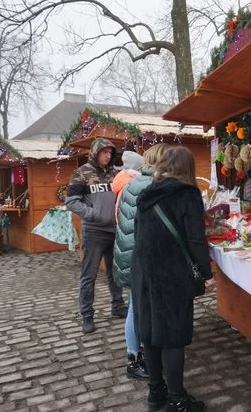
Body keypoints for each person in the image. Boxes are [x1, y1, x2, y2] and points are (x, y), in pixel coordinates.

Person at [133, 146, 215, 412]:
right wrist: (207, 273)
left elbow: (139, 234)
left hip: (144, 271)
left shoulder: (146, 194)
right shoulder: (187, 194)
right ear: (188, 168)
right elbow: (195, 239)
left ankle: (156, 393)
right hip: (171, 273)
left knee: (151, 333)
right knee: (172, 337)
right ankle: (177, 400)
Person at [112, 145, 168, 381]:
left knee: (137, 306)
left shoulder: (131, 183)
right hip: (140, 256)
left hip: (127, 253)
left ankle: (139, 353)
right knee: (138, 308)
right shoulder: (151, 186)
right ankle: (135, 358)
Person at [66, 138, 126, 334]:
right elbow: (72, 201)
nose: (108, 156)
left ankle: (117, 307)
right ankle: (87, 315)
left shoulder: (116, 173)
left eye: (110, 152)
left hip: (115, 230)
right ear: (95, 152)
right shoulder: (81, 173)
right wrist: (92, 214)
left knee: (115, 272)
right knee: (89, 274)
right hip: (94, 231)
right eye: (104, 152)